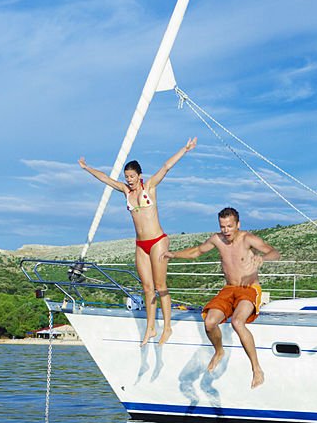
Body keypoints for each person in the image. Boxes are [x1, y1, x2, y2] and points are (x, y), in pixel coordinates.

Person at [79, 137, 197, 346]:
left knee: (160, 285)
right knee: (147, 287)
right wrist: (87, 168)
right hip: (140, 244)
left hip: (158, 241)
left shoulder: (149, 187)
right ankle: (150, 328)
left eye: (132, 176)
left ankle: (167, 327)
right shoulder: (125, 191)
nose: (130, 180)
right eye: (127, 177)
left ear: (139, 175)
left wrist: (185, 149)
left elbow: (166, 167)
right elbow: (106, 179)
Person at [165, 207, 280, 387]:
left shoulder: (248, 239)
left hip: (248, 288)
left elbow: (274, 252)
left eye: (229, 226)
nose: (226, 231)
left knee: (237, 322)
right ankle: (219, 351)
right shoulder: (217, 239)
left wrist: (263, 259)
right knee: (209, 322)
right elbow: (196, 252)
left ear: (238, 225)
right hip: (229, 289)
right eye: (223, 226)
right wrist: (173, 255)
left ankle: (256, 369)